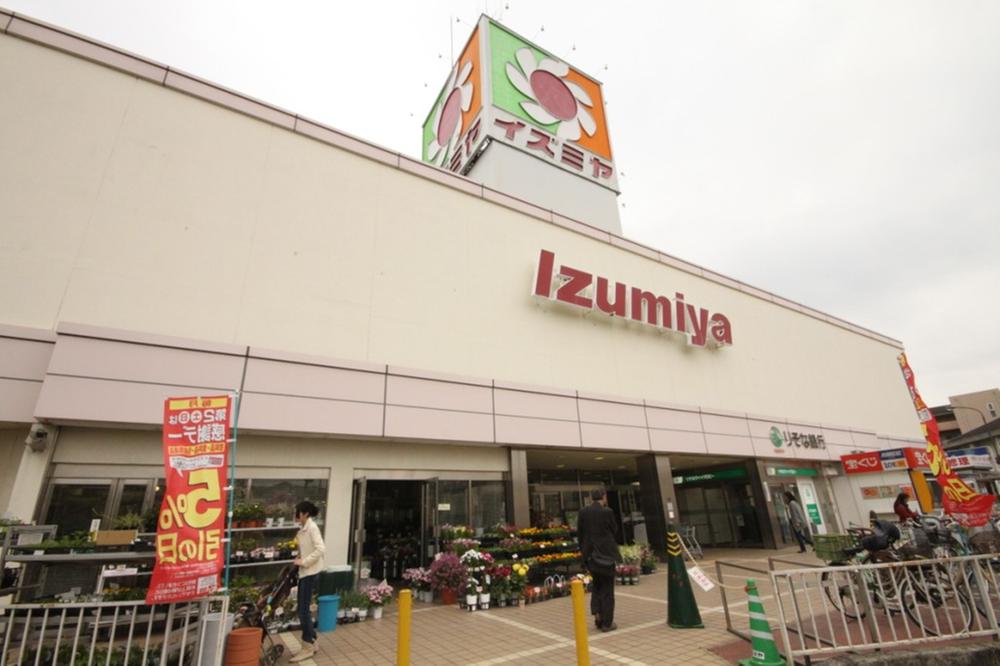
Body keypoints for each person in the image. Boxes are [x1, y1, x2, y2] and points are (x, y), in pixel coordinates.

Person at [578, 487, 620, 632]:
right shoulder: (607, 512)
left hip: (590, 557)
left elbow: (580, 534)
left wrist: (583, 555)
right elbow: (614, 530)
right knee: (608, 590)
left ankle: (597, 616)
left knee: (596, 586)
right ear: (604, 497)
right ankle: (607, 623)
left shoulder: (583, 512)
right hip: (606, 556)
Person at [290, 500, 326, 663]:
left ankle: (308, 645)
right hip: (306, 572)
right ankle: (312, 640)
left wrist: (304, 561)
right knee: (303, 608)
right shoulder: (304, 529)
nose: (296, 515)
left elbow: (320, 548)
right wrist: (300, 558)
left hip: (310, 572)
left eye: (298, 512)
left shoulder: (312, 528)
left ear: (305, 514)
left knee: (303, 610)